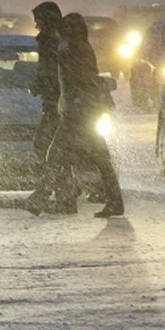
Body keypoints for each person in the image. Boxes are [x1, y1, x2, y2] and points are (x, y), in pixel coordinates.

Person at [26, 12, 124, 218]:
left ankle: (41, 197)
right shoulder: (81, 47)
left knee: (56, 155)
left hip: (78, 111)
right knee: (100, 158)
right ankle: (115, 201)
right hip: (84, 109)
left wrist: (71, 103)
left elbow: (76, 81)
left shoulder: (72, 49)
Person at [25, 1, 78, 214]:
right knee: (53, 150)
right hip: (55, 103)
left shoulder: (54, 42)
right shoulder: (53, 41)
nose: (36, 26)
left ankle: (62, 192)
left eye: (38, 22)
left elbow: (57, 73)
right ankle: (66, 190)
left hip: (59, 105)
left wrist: (44, 86)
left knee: (49, 148)